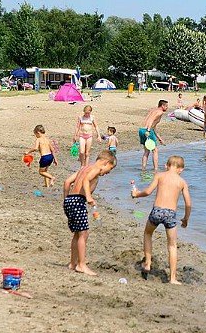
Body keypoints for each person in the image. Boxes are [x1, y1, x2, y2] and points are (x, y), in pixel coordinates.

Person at [131, 155, 192, 284]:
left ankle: (147, 263)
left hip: (157, 210)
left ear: (166, 166)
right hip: (170, 214)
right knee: (172, 245)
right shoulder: (182, 182)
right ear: (181, 169)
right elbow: (188, 204)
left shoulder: (160, 175)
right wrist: (186, 218)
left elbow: (148, 192)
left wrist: (136, 194)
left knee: (148, 233)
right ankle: (173, 278)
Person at [63, 150, 117, 276]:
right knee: (84, 234)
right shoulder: (96, 169)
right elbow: (86, 180)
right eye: (109, 169)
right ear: (105, 162)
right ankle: (81, 265)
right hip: (79, 200)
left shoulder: (85, 167)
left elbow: (67, 182)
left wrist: (66, 200)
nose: (107, 173)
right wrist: (88, 197)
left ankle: (72, 263)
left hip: (70, 200)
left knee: (77, 233)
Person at [140, 100, 168, 171]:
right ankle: (156, 169)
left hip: (141, 130)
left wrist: (159, 138)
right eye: (166, 106)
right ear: (162, 106)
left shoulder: (153, 110)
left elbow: (153, 126)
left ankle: (143, 169)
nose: (167, 108)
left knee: (146, 151)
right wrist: (148, 130)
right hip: (147, 131)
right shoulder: (160, 112)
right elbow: (151, 121)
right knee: (155, 151)